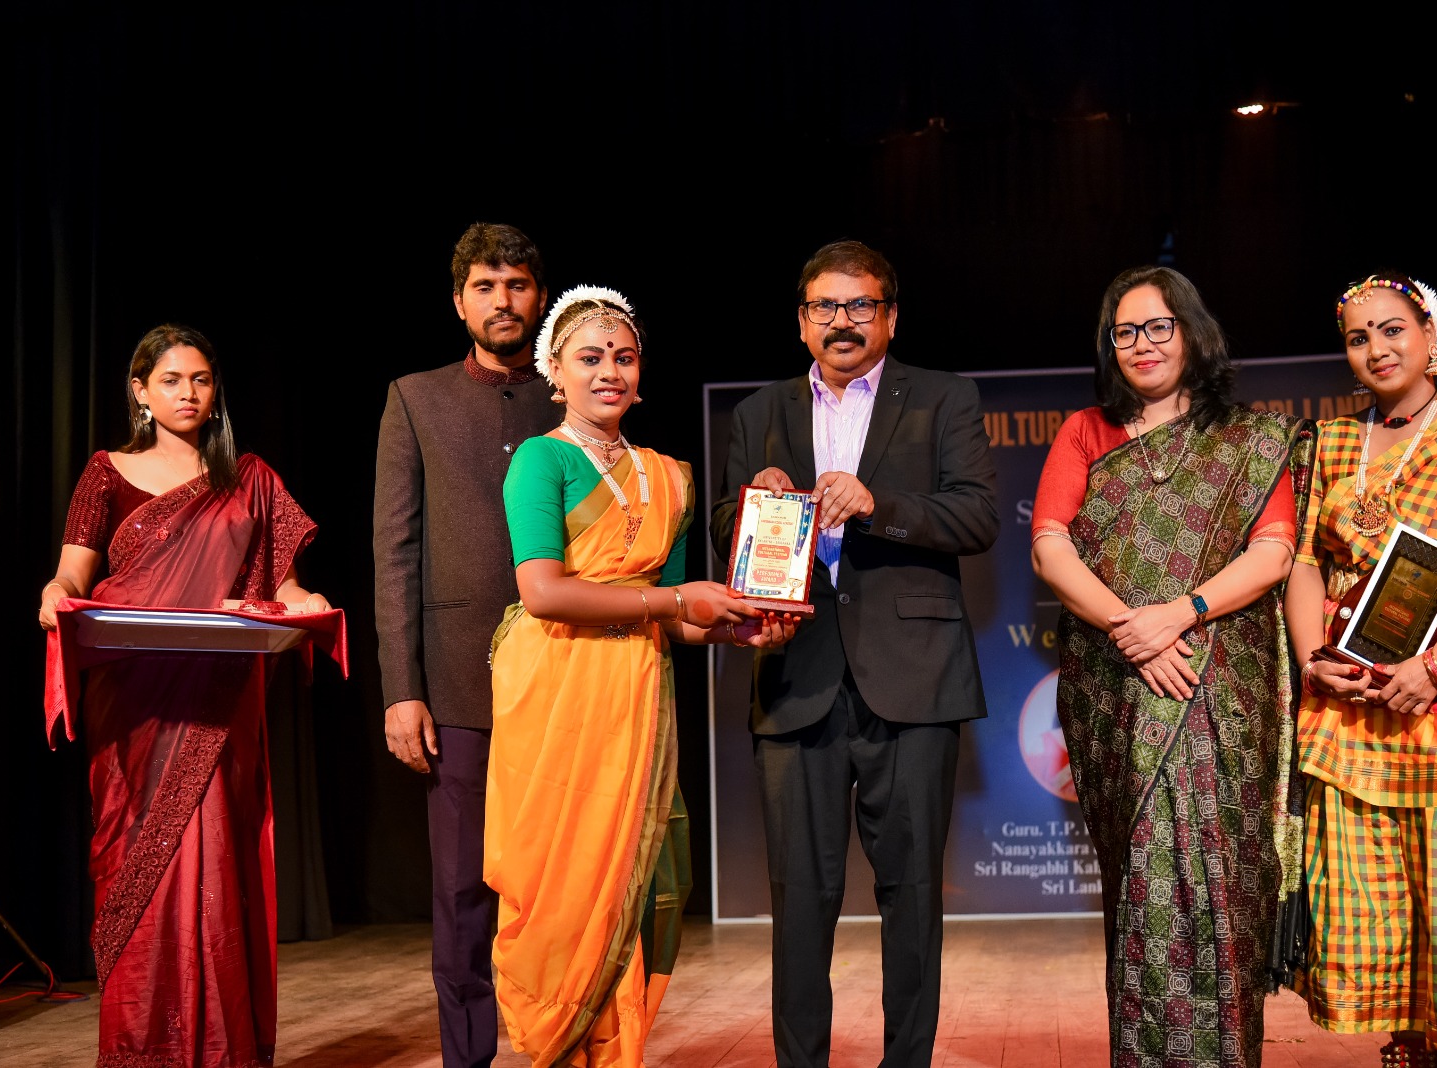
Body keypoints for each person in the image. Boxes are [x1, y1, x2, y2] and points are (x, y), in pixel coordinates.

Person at [486, 285, 796, 1067]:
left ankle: (621, 1050)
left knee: (656, 880)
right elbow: (542, 590)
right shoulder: (541, 459)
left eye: (623, 358)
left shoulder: (669, 477)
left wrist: (735, 625)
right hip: (557, 692)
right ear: (556, 372)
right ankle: (562, 1047)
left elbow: (678, 614)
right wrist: (676, 600)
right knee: (565, 883)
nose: (609, 372)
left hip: (637, 696)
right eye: (589, 358)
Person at [708, 239, 998, 1068]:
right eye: (825, 307)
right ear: (801, 321)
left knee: (913, 897)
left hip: (914, 680)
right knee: (800, 899)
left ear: (889, 316)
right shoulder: (758, 412)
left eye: (860, 305)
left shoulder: (943, 398)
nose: (843, 321)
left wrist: (877, 504)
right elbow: (727, 530)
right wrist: (751, 506)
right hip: (794, 676)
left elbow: (977, 516)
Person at [1030, 265, 1312, 1067]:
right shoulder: (1087, 431)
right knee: (1146, 878)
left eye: (1159, 326)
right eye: (1124, 332)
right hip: (1119, 686)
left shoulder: (1250, 440)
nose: (1142, 344)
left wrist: (1181, 613)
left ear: (1192, 332)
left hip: (1216, 686)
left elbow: (1274, 553)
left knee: (1216, 876)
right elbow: (1050, 547)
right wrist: (1132, 629)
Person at [37, 323, 335, 1068]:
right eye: (170, 380)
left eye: (200, 380)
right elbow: (74, 573)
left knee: (217, 851)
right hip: (135, 696)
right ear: (140, 390)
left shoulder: (249, 478)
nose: (188, 393)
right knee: (138, 853)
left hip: (218, 695)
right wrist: (54, 593)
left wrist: (304, 602)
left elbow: (282, 582)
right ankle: (142, 1043)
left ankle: (220, 1046)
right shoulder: (106, 473)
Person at [373, 221, 560, 1067]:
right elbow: (395, 551)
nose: (502, 301)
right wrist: (401, 688)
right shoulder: (416, 398)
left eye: (516, 284)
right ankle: (469, 1059)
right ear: (459, 302)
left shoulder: (576, 390)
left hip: (566, 668)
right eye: (485, 287)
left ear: (540, 296)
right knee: (460, 891)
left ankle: (563, 1044)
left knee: (562, 881)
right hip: (456, 678)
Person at [1283, 270, 1437, 1068]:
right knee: (1383, 912)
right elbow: (1303, 563)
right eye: (1358, 338)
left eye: (1394, 329)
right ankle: (1412, 1050)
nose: (1377, 349)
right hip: (1355, 705)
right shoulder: (1329, 443)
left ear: (1431, 336)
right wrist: (1312, 660)